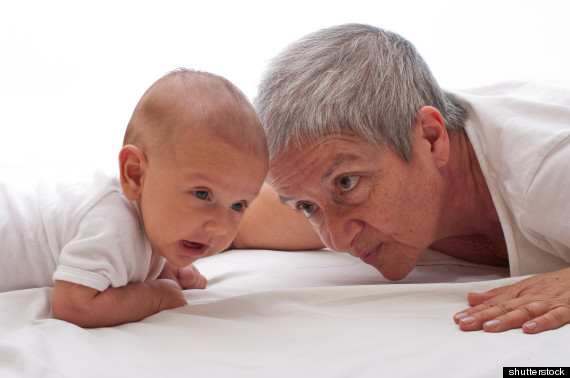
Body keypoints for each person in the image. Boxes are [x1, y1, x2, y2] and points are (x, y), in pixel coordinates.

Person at [233, 24, 570, 334]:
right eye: (306, 207)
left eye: (347, 183)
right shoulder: (333, 185)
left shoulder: (549, 168)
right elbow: (231, 219)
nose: (336, 241)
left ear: (431, 138)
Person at [0, 69, 268, 327]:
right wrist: (156, 295)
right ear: (136, 175)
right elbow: (74, 304)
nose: (220, 226)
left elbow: (136, 255)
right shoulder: (112, 223)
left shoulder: (151, 220)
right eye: (202, 194)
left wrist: (163, 270)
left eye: (237, 205)